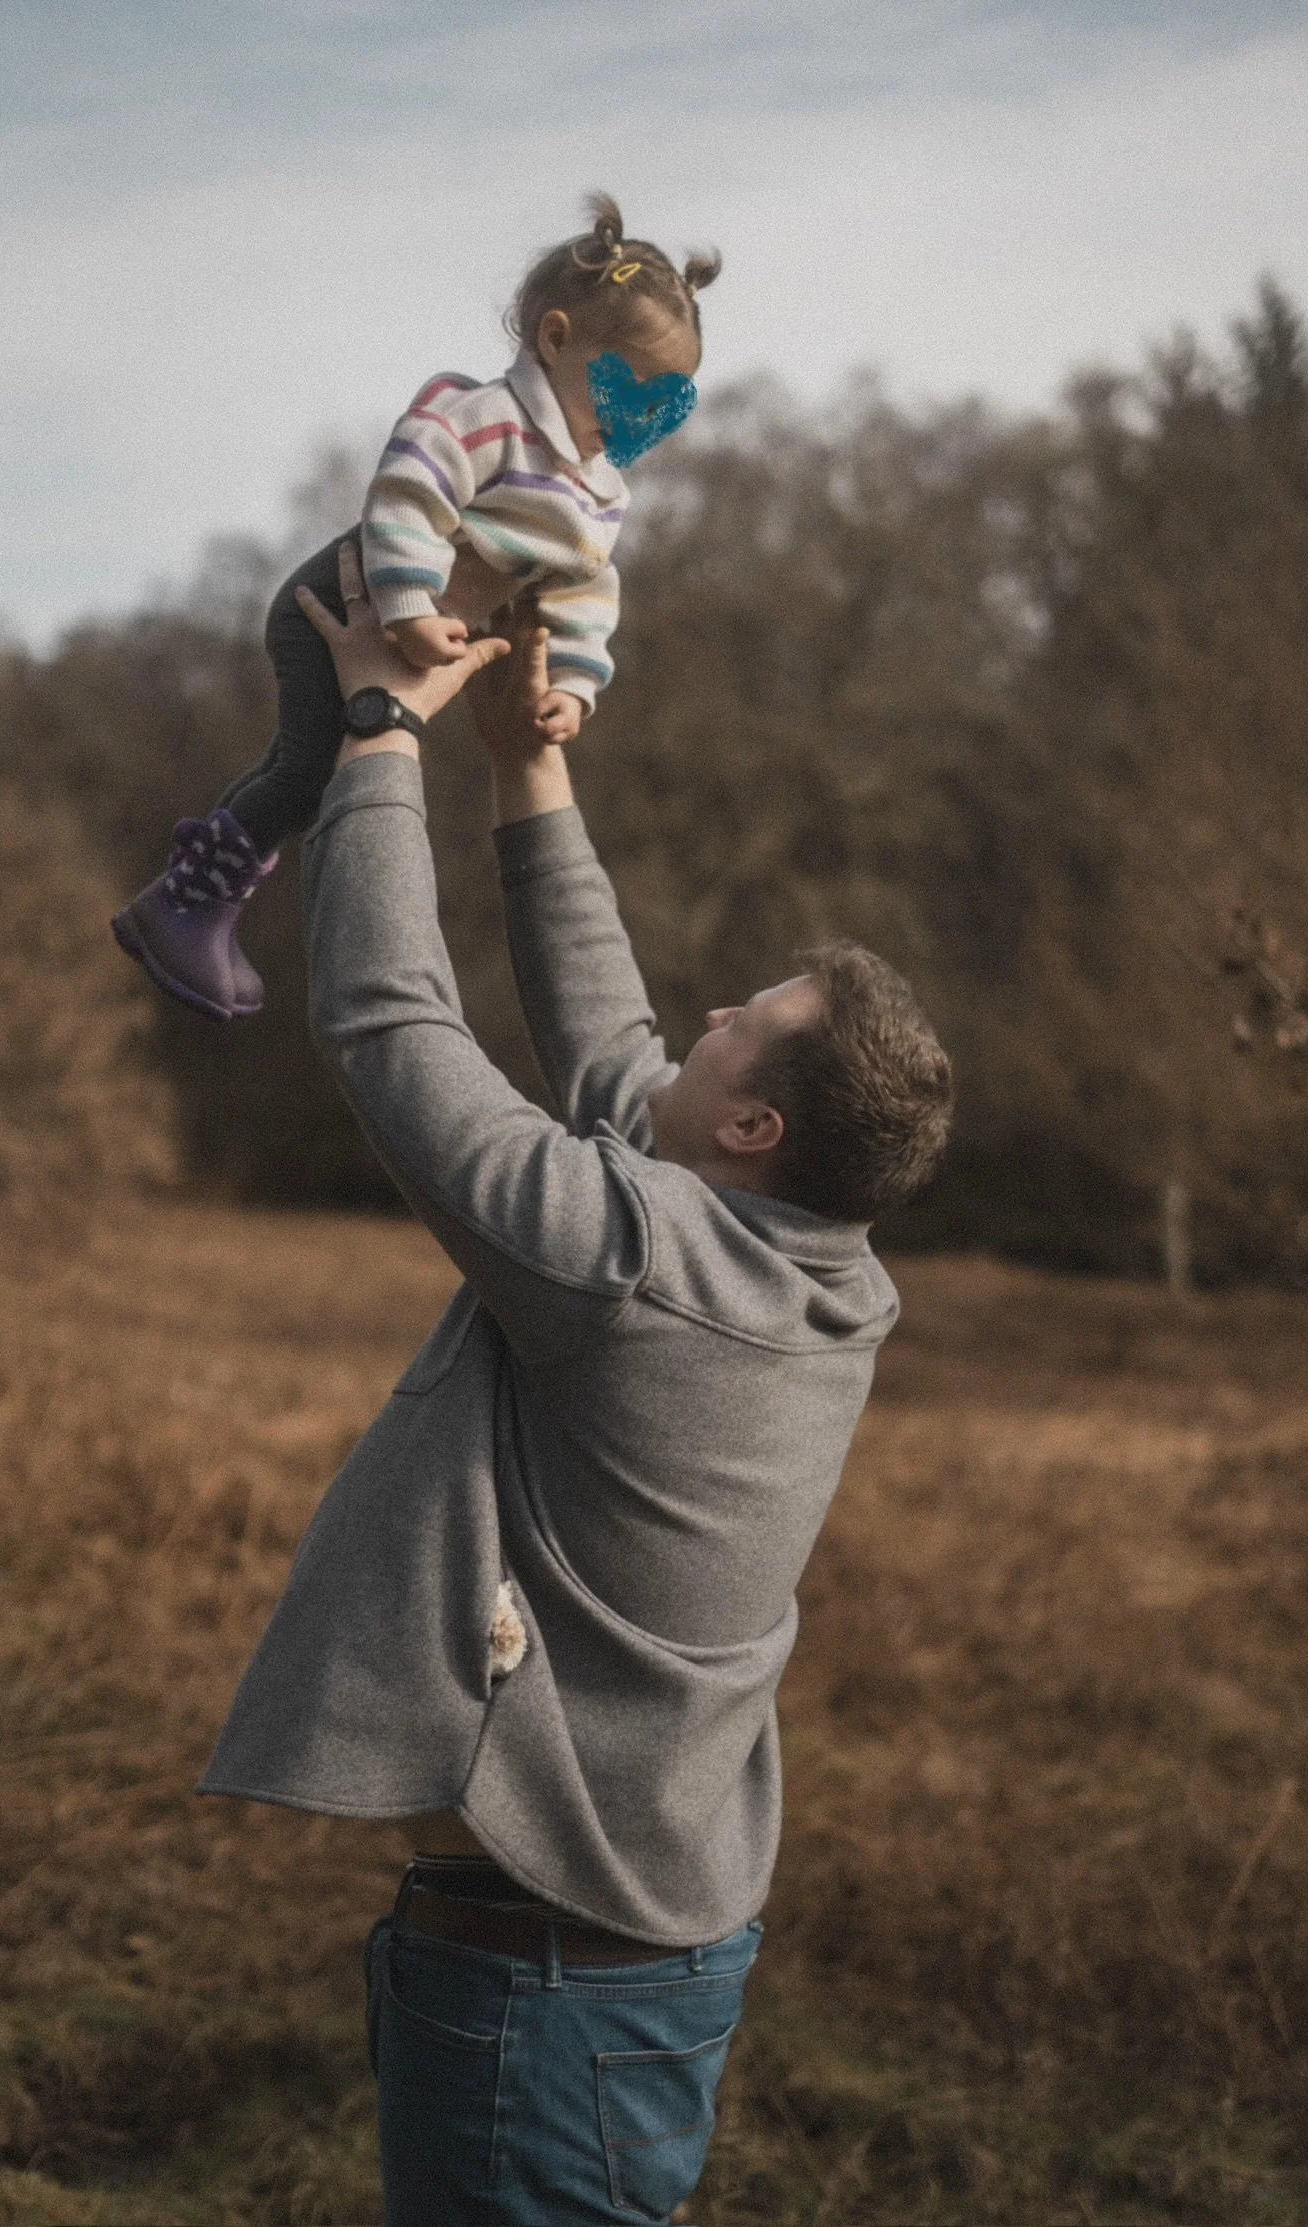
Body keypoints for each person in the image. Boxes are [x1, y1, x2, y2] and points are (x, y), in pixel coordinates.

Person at [198, 542, 954, 2225]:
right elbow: (621, 1058)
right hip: (600, 1956)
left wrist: (378, 734)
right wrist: (528, 766)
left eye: (741, 1025)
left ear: (752, 1129)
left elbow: (397, 1026)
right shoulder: (799, 1261)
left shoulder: (639, 1263)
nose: (703, 1012)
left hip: (549, 1990)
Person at [110, 192, 718, 1022]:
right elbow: (408, 493)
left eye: (662, 404)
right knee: (306, 768)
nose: (639, 420)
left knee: (322, 771)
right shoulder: (484, 419)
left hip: (402, 641)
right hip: (340, 604)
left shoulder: (598, 492)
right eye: (630, 388)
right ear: (556, 340)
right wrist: (405, 603)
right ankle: (187, 908)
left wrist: (573, 684)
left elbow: (583, 589)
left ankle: (193, 903)